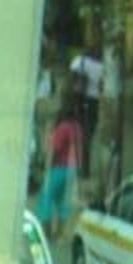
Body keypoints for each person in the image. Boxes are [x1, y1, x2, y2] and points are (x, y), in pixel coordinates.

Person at [38, 91, 86, 233]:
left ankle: (46, 231)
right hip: (73, 170)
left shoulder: (63, 128)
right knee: (63, 202)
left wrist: (47, 168)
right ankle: (59, 232)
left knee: (46, 197)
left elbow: (54, 150)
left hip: (59, 168)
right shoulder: (77, 128)